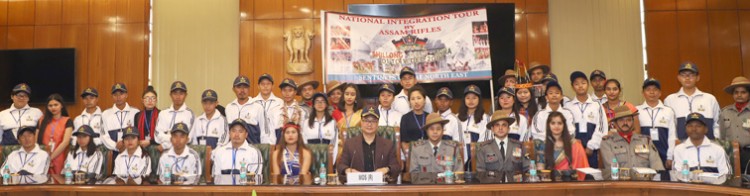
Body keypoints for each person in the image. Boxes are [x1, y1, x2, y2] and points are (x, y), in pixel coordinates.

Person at [337, 107, 401, 183]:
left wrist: (386, 169)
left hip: (380, 189)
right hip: (357, 188)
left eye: (373, 121)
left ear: (378, 123)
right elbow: (341, 165)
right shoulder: (350, 144)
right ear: (361, 122)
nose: (369, 124)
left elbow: (396, 167)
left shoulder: (388, 144)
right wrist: (347, 170)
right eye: (366, 120)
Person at [600, 105, 665, 179]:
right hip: (619, 185)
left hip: (645, 184)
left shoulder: (646, 140)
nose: (625, 123)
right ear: (615, 123)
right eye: (621, 120)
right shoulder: (607, 142)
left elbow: (657, 166)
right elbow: (612, 170)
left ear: (633, 122)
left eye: (628, 120)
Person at [664, 62, 721, 140]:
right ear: (679, 78)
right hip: (681, 147)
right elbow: (669, 126)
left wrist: (715, 141)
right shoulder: (670, 100)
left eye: (691, 75)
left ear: (697, 78)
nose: (687, 78)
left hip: (707, 146)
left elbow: (717, 123)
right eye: (683, 75)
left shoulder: (710, 99)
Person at [564, 71, 607, 168]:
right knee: (575, 176)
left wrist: (591, 146)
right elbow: (565, 128)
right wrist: (573, 142)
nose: (580, 86)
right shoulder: (567, 106)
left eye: (583, 83)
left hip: (593, 149)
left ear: (588, 84)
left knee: (593, 177)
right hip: (573, 147)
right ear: (572, 86)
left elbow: (602, 127)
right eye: (576, 84)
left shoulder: (597, 105)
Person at [533, 111, 589, 181]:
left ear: (564, 125)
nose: (556, 126)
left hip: (572, 183)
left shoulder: (575, 145)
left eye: (559, 123)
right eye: (553, 123)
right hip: (550, 184)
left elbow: (583, 170)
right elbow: (540, 170)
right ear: (548, 125)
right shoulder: (542, 145)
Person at [477, 111, 529, 180]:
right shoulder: (484, 148)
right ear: (492, 129)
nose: (500, 128)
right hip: (492, 187)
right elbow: (480, 173)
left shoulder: (519, 146)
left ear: (508, 129)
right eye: (497, 125)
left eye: (504, 125)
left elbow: (527, 169)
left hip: (515, 186)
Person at [637, 78, 677, 169]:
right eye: (648, 90)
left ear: (660, 93)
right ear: (643, 93)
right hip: (642, 155)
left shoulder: (668, 111)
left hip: (663, 155)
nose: (652, 92)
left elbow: (672, 136)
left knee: (664, 181)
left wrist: (670, 157)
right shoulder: (637, 111)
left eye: (655, 89)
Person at [718, 76, 750, 174]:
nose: (739, 95)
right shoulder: (725, 112)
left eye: (743, 92)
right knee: (733, 183)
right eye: (736, 92)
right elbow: (721, 135)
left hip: (749, 153)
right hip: (730, 153)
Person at [36, 93, 74, 174]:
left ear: (62, 105)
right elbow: (36, 141)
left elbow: (65, 142)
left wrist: (50, 158)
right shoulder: (41, 120)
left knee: (59, 182)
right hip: (42, 157)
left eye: (56, 105)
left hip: (59, 156)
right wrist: (45, 158)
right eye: (50, 105)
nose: (53, 107)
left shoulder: (67, 120)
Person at [155, 81, 195, 151]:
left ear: (186, 95)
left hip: (182, 152)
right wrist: (175, 139)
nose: (178, 96)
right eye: (175, 93)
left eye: (181, 94)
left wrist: (166, 145)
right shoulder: (163, 113)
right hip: (163, 153)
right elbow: (157, 135)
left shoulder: (190, 114)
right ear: (170, 95)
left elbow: (188, 138)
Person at [101, 83, 140, 152]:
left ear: (126, 95)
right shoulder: (105, 114)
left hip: (132, 150)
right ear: (112, 96)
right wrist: (115, 146)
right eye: (115, 95)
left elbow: (138, 133)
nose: (118, 97)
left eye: (121, 94)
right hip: (113, 151)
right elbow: (104, 135)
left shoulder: (135, 112)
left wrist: (126, 144)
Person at [249, 73, 283, 145]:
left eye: (268, 84)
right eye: (263, 84)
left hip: (276, 142)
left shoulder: (280, 102)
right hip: (256, 143)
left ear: (272, 86)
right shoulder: (252, 103)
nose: (265, 86)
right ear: (258, 86)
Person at [400, 85, 430, 154]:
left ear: (424, 99)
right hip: (412, 155)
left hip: (429, 154)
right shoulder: (405, 118)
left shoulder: (429, 117)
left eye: (419, 98)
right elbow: (404, 142)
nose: (416, 101)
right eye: (412, 99)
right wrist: (409, 157)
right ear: (409, 101)